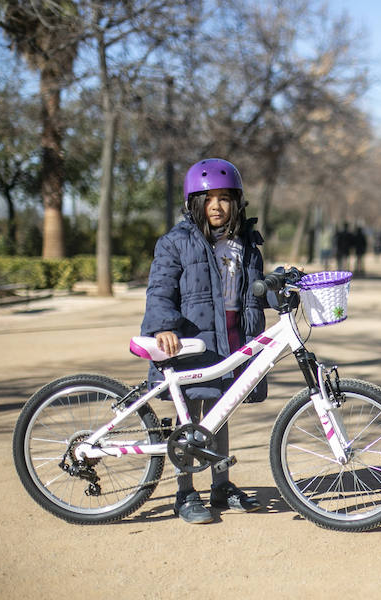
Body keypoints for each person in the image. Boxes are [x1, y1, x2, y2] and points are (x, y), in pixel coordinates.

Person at [141, 158, 271, 524]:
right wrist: (163, 326)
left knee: (221, 410)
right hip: (190, 338)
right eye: (208, 198)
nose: (216, 206)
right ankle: (185, 492)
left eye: (225, 198)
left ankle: (221, 485)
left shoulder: (245, 246)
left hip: (232, 335)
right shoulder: (176, 243)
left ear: (237, 202)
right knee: (191, 417)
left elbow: (253, 292)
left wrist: (281, 291)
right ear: (193, 203)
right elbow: (160, 290)